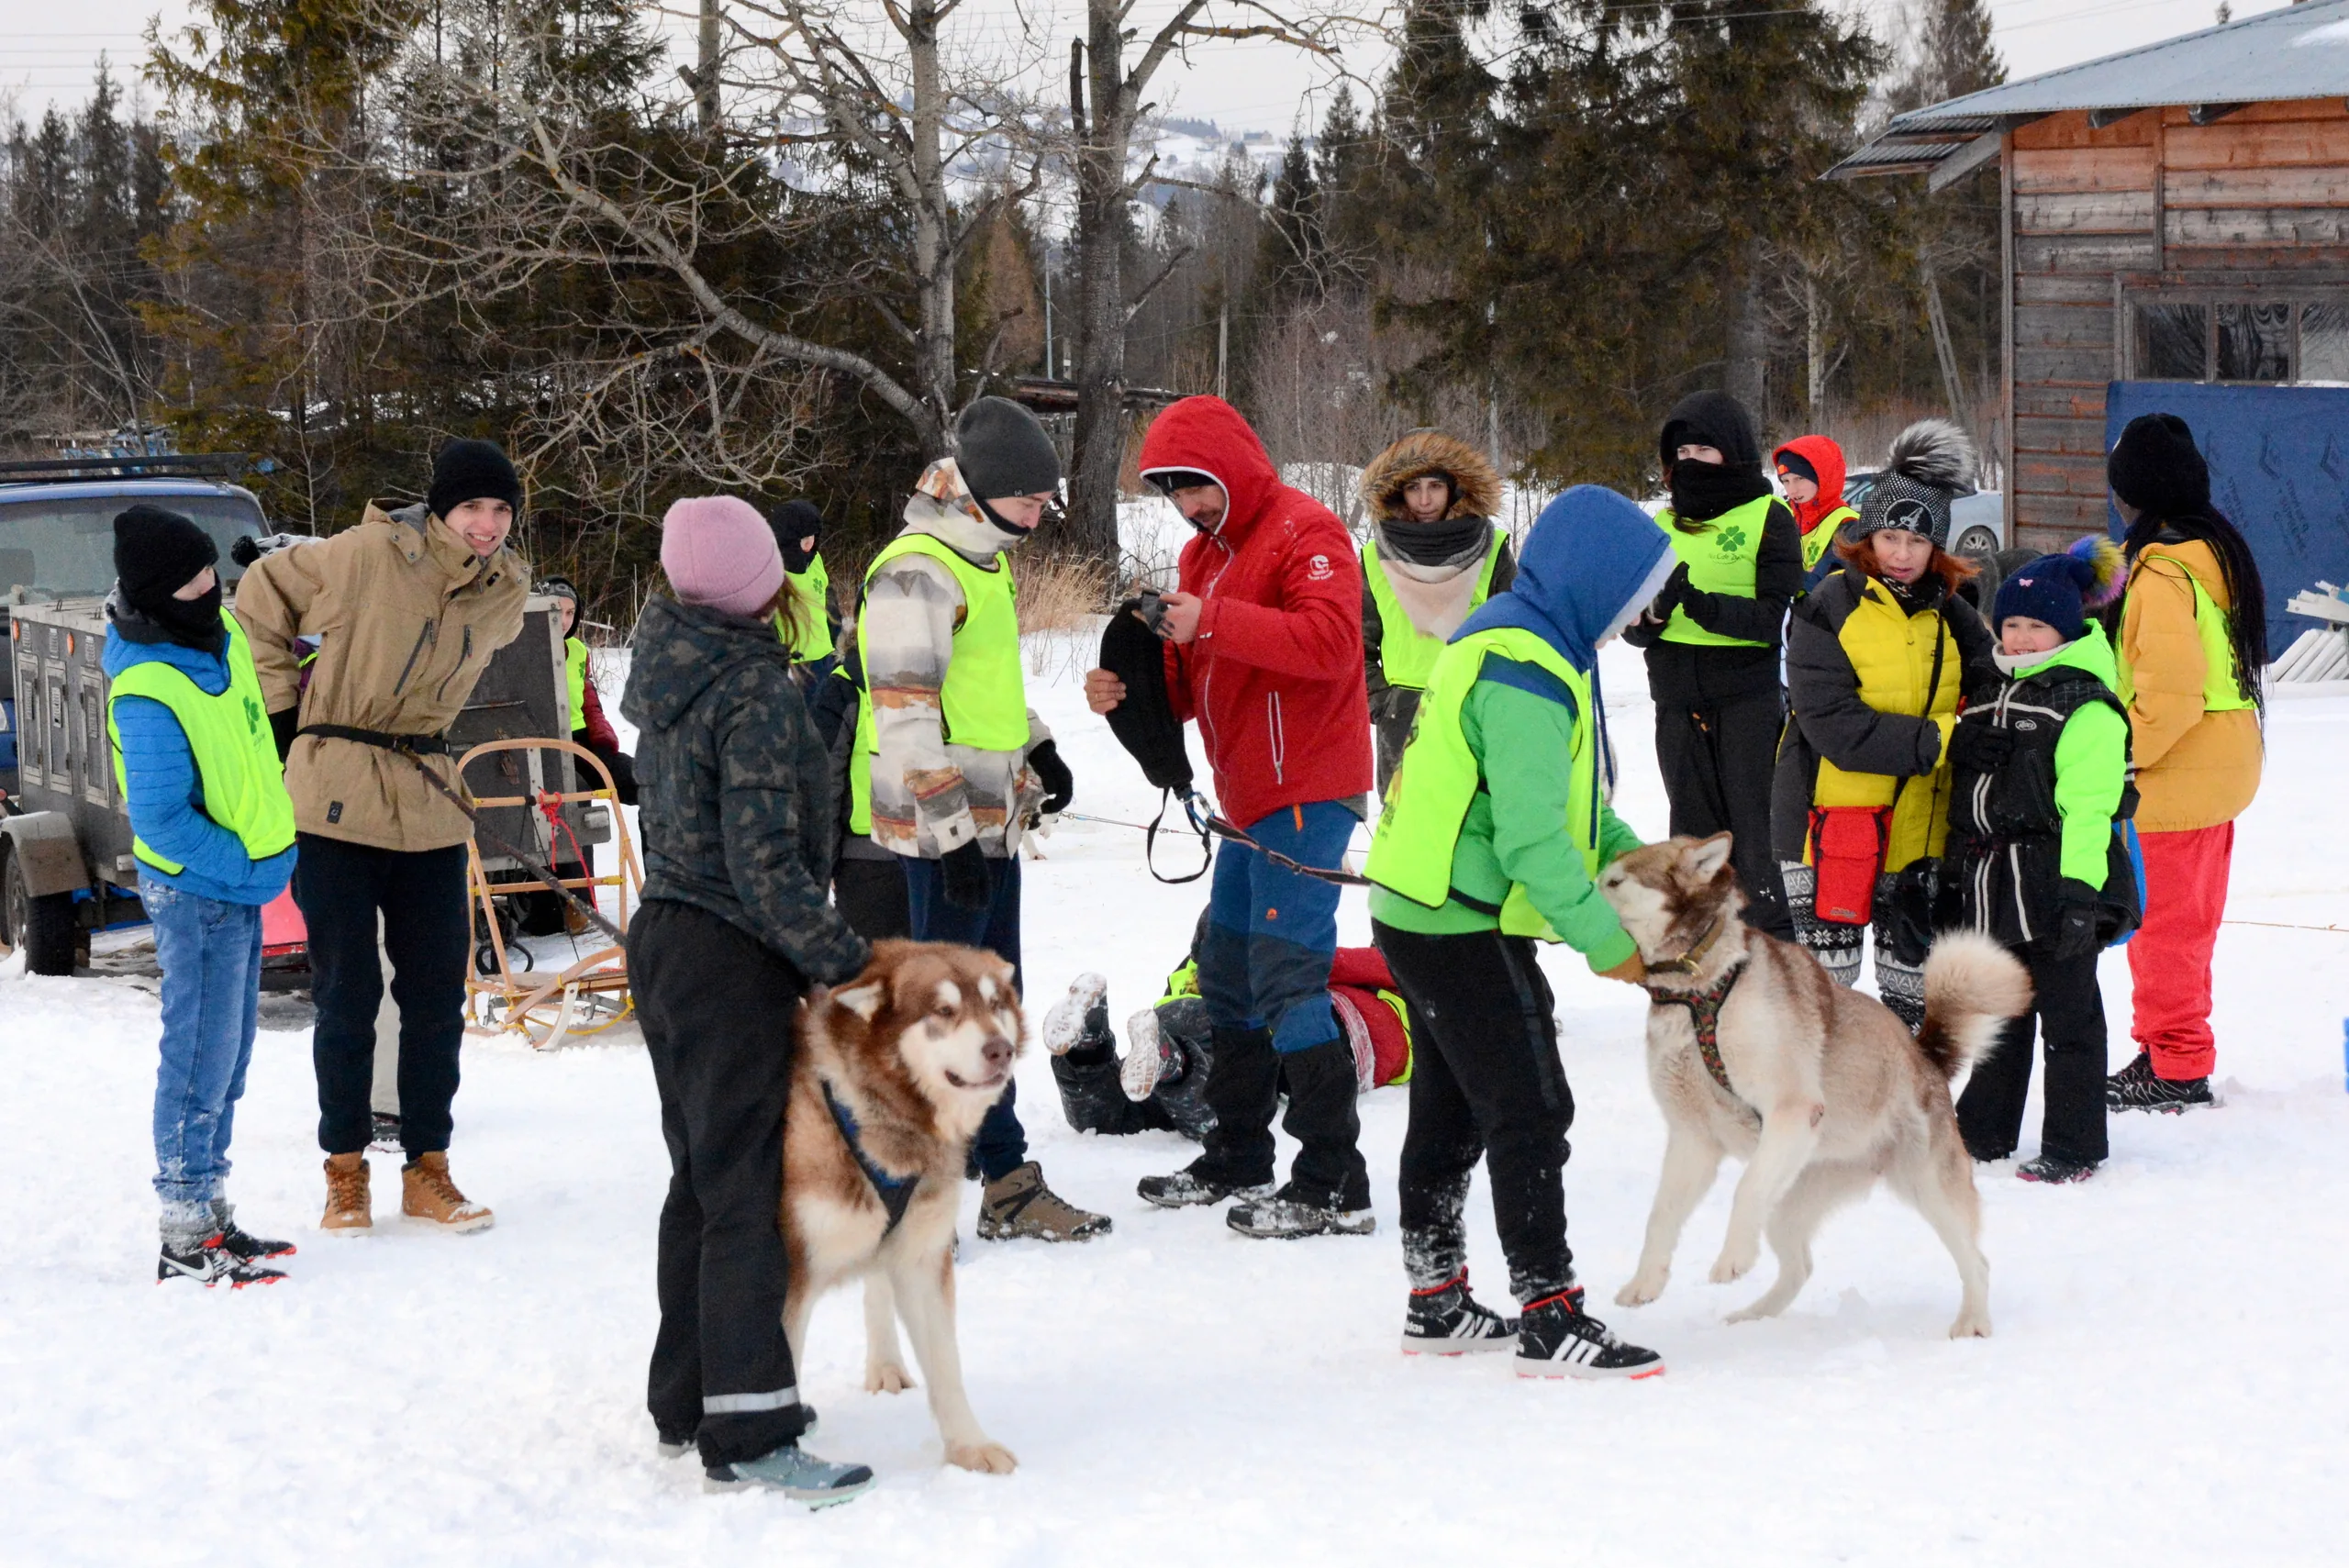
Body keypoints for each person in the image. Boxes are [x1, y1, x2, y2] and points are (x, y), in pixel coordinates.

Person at [1363, 484, 1670, 1377]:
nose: (1633, 615)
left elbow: (1566, 810)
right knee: (1529, 1104)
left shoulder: (1523, 636)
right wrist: (1609, 944)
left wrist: (1644, 859)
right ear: (1594, 580)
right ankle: (1549, 1310)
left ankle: (1436, 1298)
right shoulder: (1526, 671)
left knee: (1452, 1103)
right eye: (1631, 594)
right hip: (1458, 920)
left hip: (1419, 907)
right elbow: (1536, 842)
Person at [621, 495, 875, 1504]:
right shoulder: (753, 689)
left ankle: (685, 1398)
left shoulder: (675, 671)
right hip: (728, 953)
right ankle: (752, 1423)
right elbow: (765, 863)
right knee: (744, 1201)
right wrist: (848, 963)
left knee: (700, 1180)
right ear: (760, 582)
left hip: (668, 940)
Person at [1085, 395, 1376, 1240]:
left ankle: (1334, 1178)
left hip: (1311, 786)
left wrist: (1212, 619)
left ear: (1235, 467)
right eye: (1175, 493)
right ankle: (1239, 1151)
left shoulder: (1308, 533)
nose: (1189, 506)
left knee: (1288, 972)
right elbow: (1200, 680)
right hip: (1248, 798)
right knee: (1228, 972)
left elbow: (1328, 645)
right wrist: (1129, 695)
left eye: (1199, 487)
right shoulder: (1199, 556)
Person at [237, 439, 530, 1236]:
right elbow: (262, 590)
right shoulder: (369, 554)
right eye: (472, 506)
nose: (487, 524)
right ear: (440, 507)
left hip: (428, 797)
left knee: (437, 993)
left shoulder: (508, 588)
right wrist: (286, 716)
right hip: (333, 793)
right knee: (348, 993)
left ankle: (427, 1168)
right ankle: (345, 1171)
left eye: (501, 509)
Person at [853, 395, 1107, 1242]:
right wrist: (953, 835)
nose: (1040, 516)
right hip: (942, 834)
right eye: (1030, 501)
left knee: (995, 1007)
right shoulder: (917, 568)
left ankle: (1003, 1180)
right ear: (983, 489)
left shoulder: (983, 560)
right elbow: (906, 711)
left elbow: (985, 691)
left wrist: (1040, 748)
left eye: (1043, 502)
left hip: (990, 824)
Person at [105, 505, 300, 1286]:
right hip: (198, 891)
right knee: (196, 1053)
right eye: (189, 580)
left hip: (241, 883)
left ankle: (213, 1211)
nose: (208, 587)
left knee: (231, 1051)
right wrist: (250, 868)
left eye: (210, 570)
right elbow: (159, 818)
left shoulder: (221, 641)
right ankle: (184, 1228)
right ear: (156, 593)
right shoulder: (148, 684)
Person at [1772, 420, 1993, 1032]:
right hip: (1826, 825)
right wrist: (1942, 739)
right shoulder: (1828, 606)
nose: (1901, 552)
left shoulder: (1955, 613)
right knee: (1821, 1003)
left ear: (1937, 548)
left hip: (1919, 834)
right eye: (1890, 535)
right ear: (1867, 534)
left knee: (1914, 1004)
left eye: (1916, 542)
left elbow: (1995, 687)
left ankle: (1902, 1117)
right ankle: (1806, 1117)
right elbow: (1833, 723)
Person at [1943, 539, 2130, 1183]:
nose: (2020, 637)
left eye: (2036, 625)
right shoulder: (1991, 682)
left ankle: (2075, 1142)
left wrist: (2081, 895)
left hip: (2058, 882)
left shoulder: (2085, 702)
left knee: (2070, 1018)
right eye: (2011, 623)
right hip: (1995, 881)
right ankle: (1985, 1130)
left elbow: (2090, 808)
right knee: (2000, 1012)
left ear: (2066, 629)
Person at [2100, 413, 2266, 1112]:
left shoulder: (2164, 569)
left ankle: (2174, 1062)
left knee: (2165, 925)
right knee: (2186, 921)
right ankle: (2175, 1049)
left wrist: (2117, 754)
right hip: (2221, 761)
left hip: (2180, 771)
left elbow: (2170, 690)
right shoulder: (2213, 551)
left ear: (2134, 494)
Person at [1621, 391, 1800, 940]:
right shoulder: (1660, 522)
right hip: (1676, 700)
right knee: (1691, 844)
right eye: (1684, 450)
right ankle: (1701, 953)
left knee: (1754, 839)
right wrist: (1650, 617)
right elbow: (1629, 625)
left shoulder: (1768, 515)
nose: (1693, 460)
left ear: (1734, 451)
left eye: (1705, 448)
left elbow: (1772, 617)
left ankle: (1770, 950)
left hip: (1746, 700)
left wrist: (1696, 601)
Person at [1039, 933, 1415, 1141]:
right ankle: (1169, 1059)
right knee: (1221, 1111)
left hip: (1193, 1012)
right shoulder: (1411, 1006)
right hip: (1254, 1030)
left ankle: (1087, 1046)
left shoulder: (1404, 995)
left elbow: (1312, 958)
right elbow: (1319, 961)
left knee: (1117, 1115)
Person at [1356, 430, 1517, 791]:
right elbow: (1354, 644)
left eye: (1435, 487)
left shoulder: (1492, 551)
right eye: (1414, 488)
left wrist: (1496, 703)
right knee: (1404, 836)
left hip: (1473, 709)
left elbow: (1516, 638)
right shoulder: (1372, 558)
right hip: (1401, 715)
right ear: (1398, 492)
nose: (1425, 499)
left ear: (1455, 489)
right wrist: (1382, 703)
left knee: (1475, 826)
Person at [1772, 435, 1857, 589]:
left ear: (1822, 477)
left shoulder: (1848, 524)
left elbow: (1823, 585)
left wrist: (1779, 573)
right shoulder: (1783, 516)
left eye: (1800, 478)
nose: (1792, 489)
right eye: (1786, 481)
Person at [767, 499, 843, 668]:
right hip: (791, 663)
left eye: (813, 537)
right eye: (804, 538)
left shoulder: (815, 560)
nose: (810, 543)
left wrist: (835, 635)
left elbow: (827, 601)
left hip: (824, 657)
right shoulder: (770, 569)